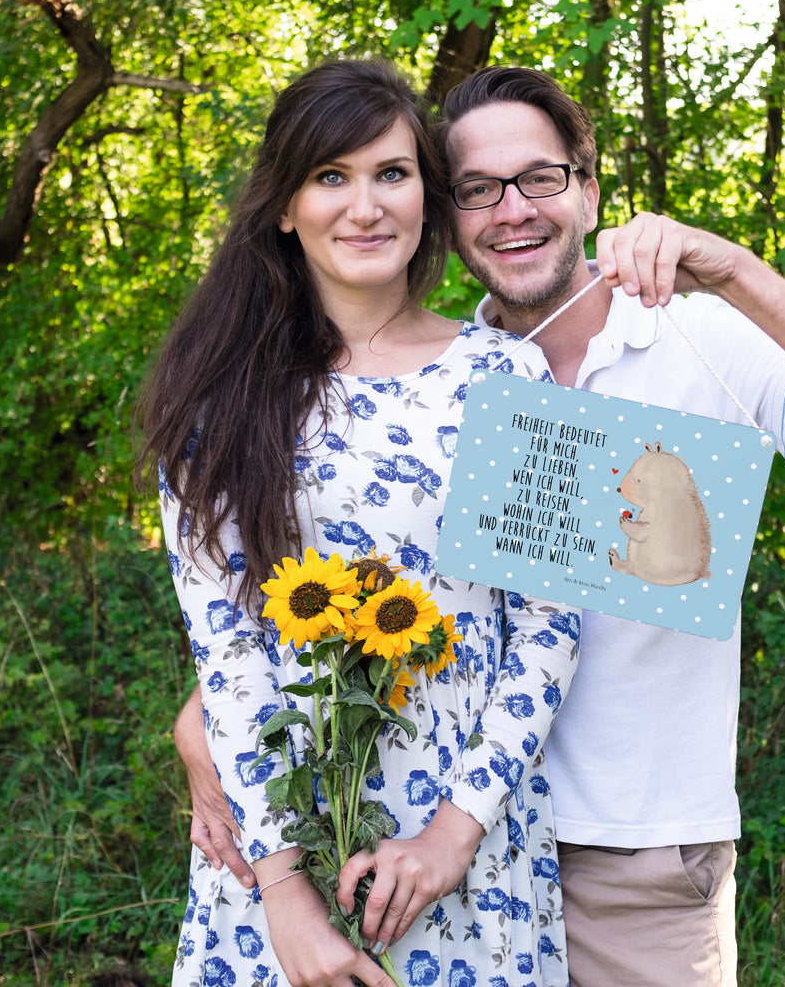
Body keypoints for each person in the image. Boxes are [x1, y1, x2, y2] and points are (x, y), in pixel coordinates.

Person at [177, 65, 785, 986]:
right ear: (449, 212)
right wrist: (209, 733)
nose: (512, 210)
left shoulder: (682, 336)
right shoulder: (432, 379)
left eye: (539, 178)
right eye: (477, 190)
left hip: (626, 850)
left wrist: (735, 269)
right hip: (400, 838)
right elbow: (319, 593)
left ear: (587, 188)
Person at [138, 59, 583, 987]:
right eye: (330, 177)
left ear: (427, 193)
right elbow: (228, 654)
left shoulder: (509, 379)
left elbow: (548, 626)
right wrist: (286, 901)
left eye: (392, 173)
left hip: (467, 850)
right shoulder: (218, 401)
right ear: (284, 207)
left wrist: (453, 837)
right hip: (277, 849)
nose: (366, 206)